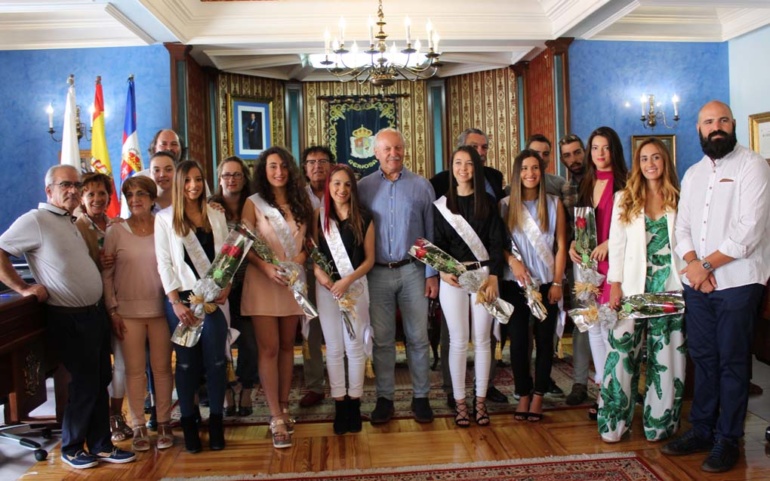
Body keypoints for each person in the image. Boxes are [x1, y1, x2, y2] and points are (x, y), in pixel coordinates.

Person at [0, 165, 135, 469]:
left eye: (77, 184)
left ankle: (101, 444)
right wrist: (22, 288)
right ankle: (73, 447)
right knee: (85, 383)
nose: (73, 190)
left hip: (94, 314)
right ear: (49, 190)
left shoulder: (71, 221)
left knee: (100, 378)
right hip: (69, 317)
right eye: (65, 185)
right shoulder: (35, 220)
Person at [662, 100, 770, 473]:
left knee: (732, 361)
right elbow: (683, 229)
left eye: (723, 120)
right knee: (705, 358)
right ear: (699, 129)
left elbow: (748, 232)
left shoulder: (753, 166)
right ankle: (703, 429)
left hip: (739, 282)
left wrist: (704, 266)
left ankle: (729, 439)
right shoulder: (693, 174)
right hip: (700, 284)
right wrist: (695, 267)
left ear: (734, 124)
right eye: (709, 121)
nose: (716, 126)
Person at [600, 138, 685, 443]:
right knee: (621, 355)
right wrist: (615, 285)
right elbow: (618, 245)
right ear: (638, 164)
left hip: (670, 289)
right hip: (632, 289)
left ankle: (659, 424)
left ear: (665, 163)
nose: (650, 164)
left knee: (667, 359)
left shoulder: (680, 198)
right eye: (645, 158)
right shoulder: (625, 198)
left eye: (656, 158)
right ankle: (613, 423)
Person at [359, 127, 438, 425]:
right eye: (387, 149)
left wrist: (432, 275)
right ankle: (385, 399)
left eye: (398, 148)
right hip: (376, 274)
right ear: (376, 153)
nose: (394, 154)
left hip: (413, 271)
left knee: (418, 338)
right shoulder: (363, 187)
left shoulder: (422, 186)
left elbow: (430, 232)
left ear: (405, 149)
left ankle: (421, 397)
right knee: (382, 341)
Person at [154, 160, 231, 453]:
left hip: (212, 299)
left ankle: (216, 422)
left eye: (198, 180)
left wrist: (228, 285)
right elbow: (164, 263)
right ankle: (188, 422)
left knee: (215, 363)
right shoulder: (164, 218)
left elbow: (226, 257)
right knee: (186, 364)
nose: (193, 186)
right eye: (187, 181)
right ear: (178, 184)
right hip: (183, 301)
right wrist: (174, 302)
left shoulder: (216, 215)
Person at [429, 128, 507, 408]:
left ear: (476, 167)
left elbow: (497, 242)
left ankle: (481, 400)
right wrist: (440, 271)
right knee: (459, 342)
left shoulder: (487, 202)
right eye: (458, 163)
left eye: (469, 163)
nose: (463, 169)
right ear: (452, 168)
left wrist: (495, 276)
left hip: (483, 276)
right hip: (453, 279)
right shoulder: (440, 206)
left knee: (483, 341)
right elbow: (435, 242)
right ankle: (461, 401)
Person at [241, 146, 313, 448]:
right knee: (269, 349)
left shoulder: (302, 202)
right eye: (272, 167)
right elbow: (244, 243)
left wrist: (298, 260)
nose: (279, 172)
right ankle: (274, 415)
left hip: (291, 282)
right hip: (263, 281)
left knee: (287, 347)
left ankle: (284, 405)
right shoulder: (253, 203)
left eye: (283, 166)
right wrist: (266, 267)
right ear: (264, 171)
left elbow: (309, 243)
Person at [102, 175, 174, 451]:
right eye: (130, 195)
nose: (135, 200)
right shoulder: (115, 231)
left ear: (153, 198)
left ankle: (165, 422)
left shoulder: (164, 227)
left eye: (141, 194)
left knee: (162, 369)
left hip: (161, 309)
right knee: (133, 371)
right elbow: (107, 275)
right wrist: (112, 310)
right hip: (127, 312)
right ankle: (138, 425)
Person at [501, 150, 567, 423]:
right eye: (525, 169)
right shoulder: (505, 205)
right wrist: (512, 262)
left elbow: (561, 246)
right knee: (518, 343)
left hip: (544, 283)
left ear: (542, 172)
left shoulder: (553, 204)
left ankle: (539, 395)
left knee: (544, 341)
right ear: (517, 174)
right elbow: (500, 245)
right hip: (514, 284)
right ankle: (523, 393)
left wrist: (557, 282)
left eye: (535, 168)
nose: (530, 174)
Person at [569, 126, 628, 421]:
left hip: (612, 262)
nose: (599, 154)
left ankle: (613, 394)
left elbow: (631, 225)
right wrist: (572, 244)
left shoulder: (625, 183)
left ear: (613, 150)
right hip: (587, 264)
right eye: (595, 148)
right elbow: (580, 223)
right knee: (592, 327)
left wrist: (610, 242)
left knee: (609, 329)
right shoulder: (586, 181)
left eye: (605, 148)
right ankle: (604, 391)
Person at [313, 164, 375, 435]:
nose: (341, 189)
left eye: (347, 184)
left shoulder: (364, 217)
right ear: (328, 186)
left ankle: (355, 402)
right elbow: (314, 257)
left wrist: (348, 280)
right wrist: (323, 278)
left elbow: (370, 259)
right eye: (336, 184)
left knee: (355, 346)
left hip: (355, 285)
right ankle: (340, 403)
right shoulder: (318, 217)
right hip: (327, 289)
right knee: (335, 347)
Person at [74, 172, 133, 443]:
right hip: (88, 306)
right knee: (96, 367)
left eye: (101, 194)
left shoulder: (115, 225)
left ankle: (115, 414)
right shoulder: (76, 227)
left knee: (120, 361)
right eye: (90, 194)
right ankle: (94, 421)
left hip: (117, 301)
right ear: (81, 199)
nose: (97, 199)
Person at [208, 156, 258, 417]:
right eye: (227, 175)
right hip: (219, 288)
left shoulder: (255, 206)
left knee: (250, 342)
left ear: (244, 178)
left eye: (237, 175)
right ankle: (227, 391)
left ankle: (247, 389)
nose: (232, 179)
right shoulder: (210, 208)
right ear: (219, 179)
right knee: (220, 341)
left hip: (250, 284)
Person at [298, 146, 336, 409]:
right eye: (312, 162)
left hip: (340, 272)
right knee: (310, 328)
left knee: (342, 327)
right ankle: (314, 385)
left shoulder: (342, 189)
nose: (317, 166)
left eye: (323, 161)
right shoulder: (296, 197)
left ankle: (342, 383)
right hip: (306, 270)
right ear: (304, 167)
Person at [557, 134, 591, 407]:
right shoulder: (566, 189)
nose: (573, 160)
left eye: (576, 153)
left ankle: (612, 380)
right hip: (578, 263)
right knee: (582, 322)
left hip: (609, 259)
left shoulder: (611, 180)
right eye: (567, 156)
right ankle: (580, 382)